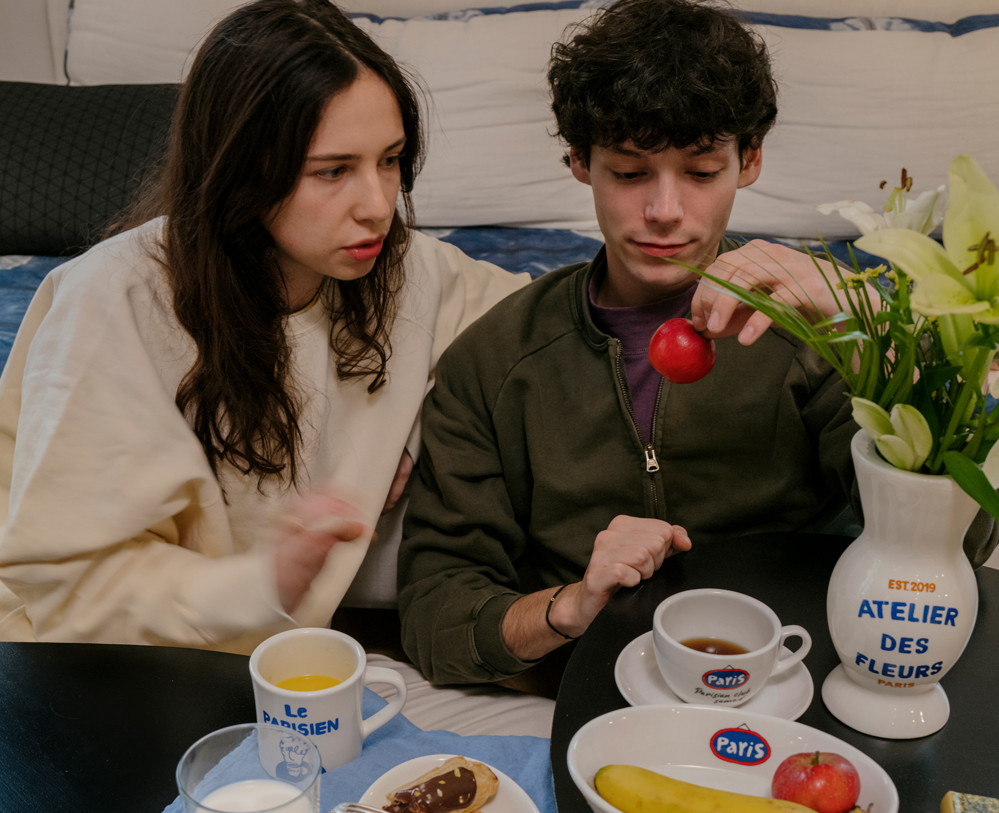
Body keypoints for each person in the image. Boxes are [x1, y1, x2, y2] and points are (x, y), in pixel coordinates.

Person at [397, 0, 995, 694]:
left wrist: (862, 336)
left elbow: (960, 544)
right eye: (629, 173)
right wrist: (571, 604)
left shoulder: (822, 328)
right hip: (589, 687)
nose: (665, 212)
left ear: (750, 160)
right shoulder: (493, 360)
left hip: (792, 677)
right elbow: (438, 624)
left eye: (702, 171)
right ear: (579, 160)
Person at [0, 0, 528, 651]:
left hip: (279, 650)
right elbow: (72, 588)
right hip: (80, 656)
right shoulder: (112, 301)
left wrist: (427, 420)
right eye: (333, 171)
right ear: (242, 170)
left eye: (389, 160)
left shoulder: (403, 266)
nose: (377, 206)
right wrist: (262, 583)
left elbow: (540, 321)